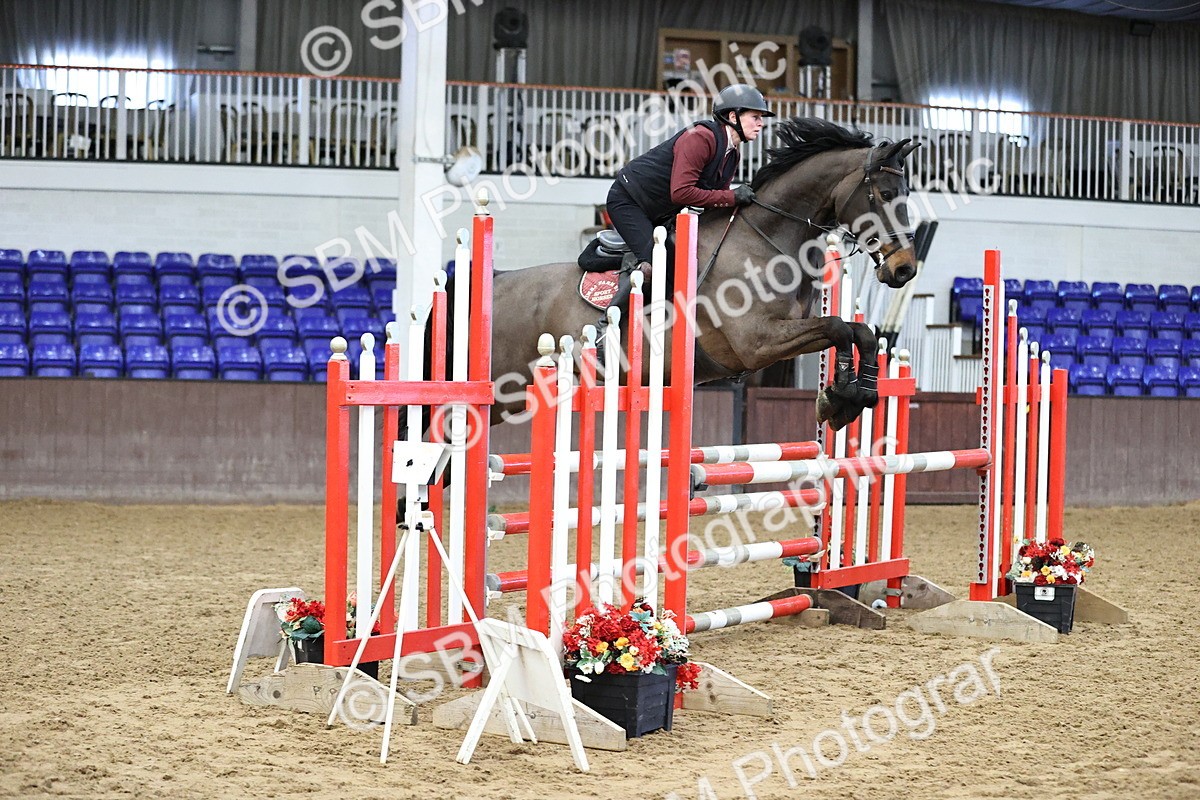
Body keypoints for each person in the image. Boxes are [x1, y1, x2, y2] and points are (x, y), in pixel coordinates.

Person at [595, 83, 774, 338]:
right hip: (629, 201)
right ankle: (605, 331)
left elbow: (712, 201)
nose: (761, 124)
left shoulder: (733, 154)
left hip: (661, 210)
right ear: (733, 117)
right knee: (659, 262)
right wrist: (733, 196)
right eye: (755, 117)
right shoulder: (701, 138)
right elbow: (681, 192)